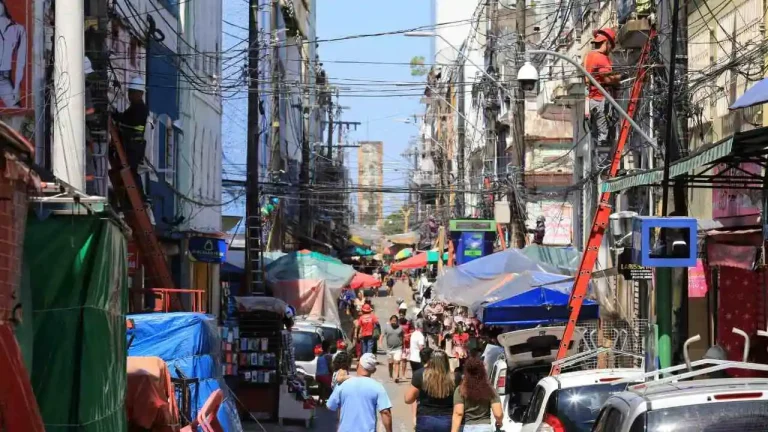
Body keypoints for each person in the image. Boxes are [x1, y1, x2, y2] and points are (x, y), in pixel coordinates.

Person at [327, 353, 393, 432]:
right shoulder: (377, 387)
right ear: (373, 370)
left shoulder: (343, 384)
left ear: (358, 365)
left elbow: (330, 406)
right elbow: (385, 413)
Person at [584, 27, 620, 164]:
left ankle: (599, 163)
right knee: (604, 135)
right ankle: (604, 165)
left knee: (597, 135)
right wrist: (621, 77)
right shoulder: (602, 59)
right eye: (611, 45)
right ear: (606, 42)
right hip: (600, 101)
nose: (611, 49)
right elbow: (608, 79)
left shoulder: (589, 56)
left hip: (590, 101)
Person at [113, 76, 150, 203]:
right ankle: (132, 198)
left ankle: (140, 197)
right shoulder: (134, 107)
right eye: (129, 92)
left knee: (132, 172)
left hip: (134, 146)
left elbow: (128, 121)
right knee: (129, 172)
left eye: (132, 93)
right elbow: (125, 119)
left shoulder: (140, 109)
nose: (129, 95)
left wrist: (116, 117)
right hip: (132, 145)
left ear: (140, 94)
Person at [406, 350, 456, 432]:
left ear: (430, 361)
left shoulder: (420, 374)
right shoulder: (454, 377)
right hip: (447, 419)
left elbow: (408, 399)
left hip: (425, 419)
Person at [451, 357, 503, 432]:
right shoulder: (490, 390)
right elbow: (498, 414)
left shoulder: (460, 390)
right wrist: (499, 422)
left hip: (467, 428)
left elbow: (458, 413)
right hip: (485, 428)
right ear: (483, 371)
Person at [0, 0, 26, 108]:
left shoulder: (18, 29)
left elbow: (21, 61)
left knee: (16, 110)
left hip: (4, 79)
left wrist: (16, 87)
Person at [381, 314, 404, 383]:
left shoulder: (400, 328)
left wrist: (404, 346)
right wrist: (380, 342)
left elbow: (403, 337)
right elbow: (382, 335)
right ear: (390, 321)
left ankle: (396, 376)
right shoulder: (387, 328)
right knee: (390, 363)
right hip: (389, 349)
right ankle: (391, 375)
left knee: (397, 362)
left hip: (398, 348)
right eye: (393, 321)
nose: (394, 322)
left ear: (397, 321)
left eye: (395, 321)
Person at [316, 340, 333, 404]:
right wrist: (332, 372)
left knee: (321, 386)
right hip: (325, 376)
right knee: (331, 384)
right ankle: (324, 400)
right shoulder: (328, 356)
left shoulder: (319, 356)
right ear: (328, 348)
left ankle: (320, 399)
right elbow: (330, 366)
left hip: (318, 376)